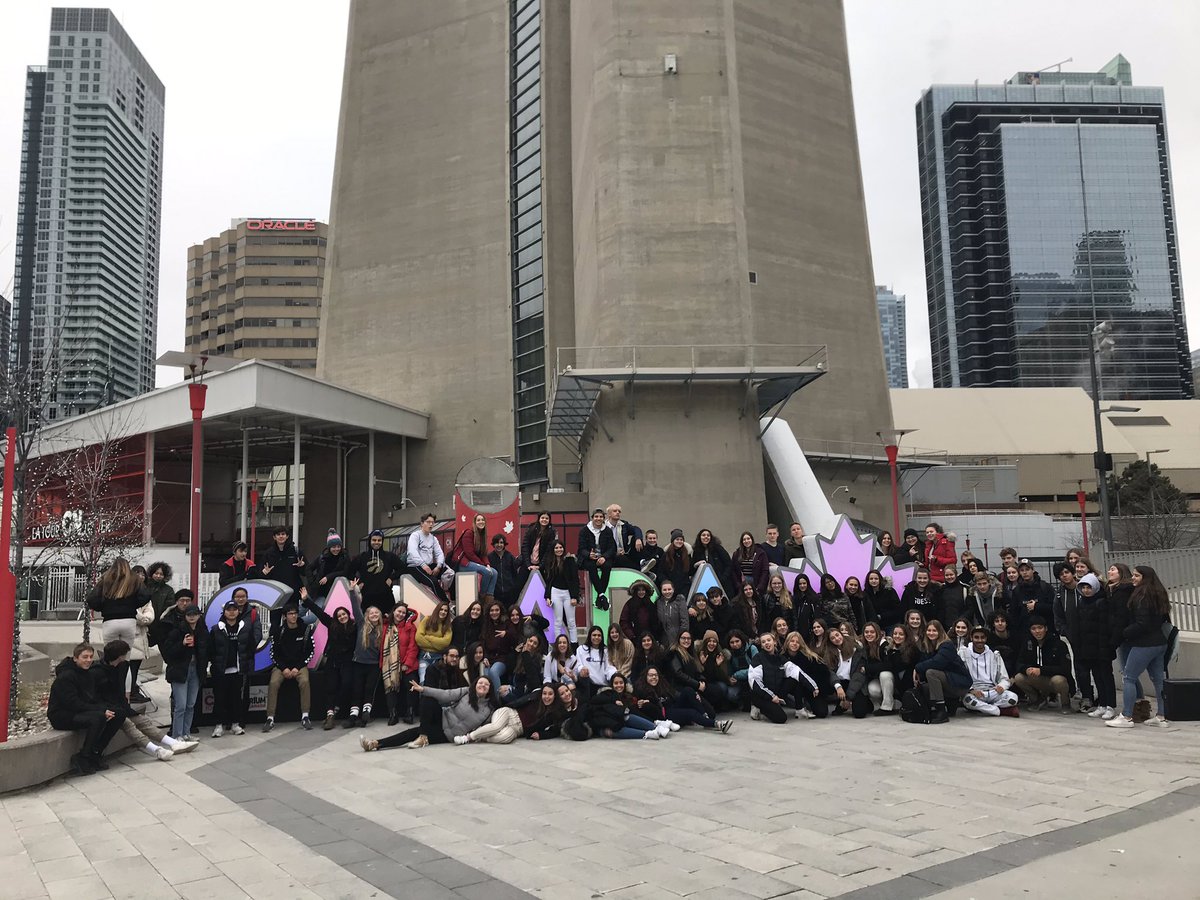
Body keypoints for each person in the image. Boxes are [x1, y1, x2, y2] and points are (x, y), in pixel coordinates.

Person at [96, 640, 197, 759]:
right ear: (119, 656)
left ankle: (173, 743)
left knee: (142, 721)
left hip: (119, 705)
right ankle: (156, 750)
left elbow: (122, 688)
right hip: (108, 709)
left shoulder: (122, 666)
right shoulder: (98, 671)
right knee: (129, 725)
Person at [48, 643, 127, 775]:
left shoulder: (88, 674)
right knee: (98, 718)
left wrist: (105, 708)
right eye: (84, 657)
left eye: (91, 657)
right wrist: (100, 711)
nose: (89, 660)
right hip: (62, 715)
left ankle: (96, 752)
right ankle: (83, 757)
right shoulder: (66, 676)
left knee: (118, 714)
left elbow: (91, 698)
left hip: (80, 709)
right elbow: (72, 703)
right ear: (75, 658)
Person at [1108, 566, 1172, 729]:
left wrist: (1125, 632)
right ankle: (1161, 716)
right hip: (1160, 643)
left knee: (1129, 677)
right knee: (1158, 680)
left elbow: (1142, 624)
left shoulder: (1142, 597)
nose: (1133, 578)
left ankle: (1127, 716)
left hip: (1144, 644)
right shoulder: (1158, 594)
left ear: (1145, 578)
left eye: (1136, 575)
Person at [361, 676, 499, 750]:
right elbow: (445, 695)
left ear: (490, 689)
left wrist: (469, 738)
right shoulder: (466, 692)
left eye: (486, 685)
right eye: (480, 683)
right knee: (429, 700)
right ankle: (423, 736)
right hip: (442, 718)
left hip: (448, 735)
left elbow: (484, 730)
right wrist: (423, 689)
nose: (482, 686)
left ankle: (375, 744)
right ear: (475, 685)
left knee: (411, 733)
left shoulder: (489, 710)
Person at [85, 559, 145, 699]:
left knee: (110, 660)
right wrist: (132, 604)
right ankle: (126, 697)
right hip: (129, 621)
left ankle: (110, 694)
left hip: (110, 621)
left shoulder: (106, 579)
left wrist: (104, 606)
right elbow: (146, 595)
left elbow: (92, 599)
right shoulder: (134, 580)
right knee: (125, 660)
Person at [301, 587, 358, 729]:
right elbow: (319, 612)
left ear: (348, 614)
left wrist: (353, 592)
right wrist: (306, 600)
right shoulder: (332, 624)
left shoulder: (355, 627)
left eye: (344, 614)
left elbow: (359, 610)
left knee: (346, 684)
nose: (342, 617)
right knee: (330, 687)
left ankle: (336, 707)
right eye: (339, 616)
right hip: (332, 661)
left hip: (348, 662)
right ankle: (330, 715)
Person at [262, 602, 316, 732]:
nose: (293, 616)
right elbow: (273, 653)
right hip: (282, 667)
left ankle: (305, 716)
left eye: (295, 613)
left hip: (299, 666)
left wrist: (298, 667)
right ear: (285, 616)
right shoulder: (278, 631)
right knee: (273, 683)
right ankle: (270, 718)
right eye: (290, 614)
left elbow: (310, 651)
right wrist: (283, 668)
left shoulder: (306, 630)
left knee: (304, 681)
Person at [160, 599, 207, 741]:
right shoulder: (177, 631)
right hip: (180, 670)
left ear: (199, 615)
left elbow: (206, 652)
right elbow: (168, 652)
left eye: (195, 614)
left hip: (196, 670)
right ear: (185, 616)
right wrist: (182, 644)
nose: (192, 617)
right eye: (189, 614)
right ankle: (177, 735)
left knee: (191, 704)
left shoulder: (202, 631)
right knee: (180, 705)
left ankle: (186, 733)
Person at [457, 683, 564, 744]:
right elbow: (519, 701)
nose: (547, 697)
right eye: (544, 693)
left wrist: (541, 735)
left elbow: (554, 731)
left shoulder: (553, 713)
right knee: (496, 726)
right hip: (510, 713)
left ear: (555, 696)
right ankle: (468, 738)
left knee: (505, 738)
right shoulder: (535, 697)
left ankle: (482, 736)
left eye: (550, 694)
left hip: (517, 729)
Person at [635, 665, 731, 733]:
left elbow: (675, 695)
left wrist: (693, 695)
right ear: (645, 677)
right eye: (651, 675)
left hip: (673, 706)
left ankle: (704, 717)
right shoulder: (642, 689)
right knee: (691, 713)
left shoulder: (662, 685)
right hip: (665, 714)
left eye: (656, 675)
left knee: (688, 690)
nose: (654, 677)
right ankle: (717, 724)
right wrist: (646, 702)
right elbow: (645, 707)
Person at [209, 599, 256, 737]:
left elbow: (250, 647)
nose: (231, 612)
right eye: (229, 610)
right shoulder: (216, 629)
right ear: (224, 612)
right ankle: (218, 726)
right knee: (219, 699)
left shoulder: (245, 628)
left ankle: (235, 724)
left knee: (236, 699)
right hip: (221, 671)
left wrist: (246, 663)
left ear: (238, 611)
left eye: (234, 609)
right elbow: (210, 650)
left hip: (238, 670)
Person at [913, 620, 972, 724]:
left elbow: (937, 663)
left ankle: (941, 711)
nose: (931, 633)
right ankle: (950, 703)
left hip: (960, 683)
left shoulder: (947, 645)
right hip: (949, 680)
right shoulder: (929, 646)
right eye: (929, 630)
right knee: (925, 687)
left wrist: (917, 668)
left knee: (931, 673)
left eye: (934, 630)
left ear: (940, 632)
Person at [1012, 616, 1071, 712]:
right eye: (1034, 629)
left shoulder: (1058, 644)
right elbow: (1019, 663)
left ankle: (1065, 703)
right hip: (1037, 678)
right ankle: (1037, 700)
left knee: (1059, 681)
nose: (1037, 631)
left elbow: (1065, 669)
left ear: (1046, 628)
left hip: (1054, 678)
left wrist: (1042, 670)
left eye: (1040, 628)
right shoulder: (1027, 643)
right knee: (1019, 678)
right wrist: (1026, 669)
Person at [958, 625, 1018, 716]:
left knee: (1013, 698)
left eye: (982, 637)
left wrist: (1001, 686)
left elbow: (1004, 678)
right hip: (976, 692)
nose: (979, 640)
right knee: (968, 701)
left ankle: (985, 708)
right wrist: (971, 690)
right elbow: (959, 675)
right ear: (971, 638)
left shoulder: (994, 654)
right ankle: (1000, 711)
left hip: (993, 690)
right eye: (976, 637)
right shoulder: (963, 653)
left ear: (986, 639)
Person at [746, 633, 803, 723]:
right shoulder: (758, 658)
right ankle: (758, 708)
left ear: (774, 642)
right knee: (781, 718)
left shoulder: (779, 658)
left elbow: (796, 672)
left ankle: (800, 710)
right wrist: (771, 696)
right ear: (761, 645)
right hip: (761, 694)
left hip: (775, 691)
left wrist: (814, 687)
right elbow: (755, 682)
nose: (767, 643)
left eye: (769, 640)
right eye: (763, 642)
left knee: (794, 679)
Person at [345, 604, 385, 727]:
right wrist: (352, 591)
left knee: (369, 689)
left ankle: (365, 714)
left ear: (380, 616)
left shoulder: (383, 629)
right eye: (371, 613)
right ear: (367, 615)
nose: (374, 615)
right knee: (356, 689)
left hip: (373, 665)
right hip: (358, 663)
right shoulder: (362, 624)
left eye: (376, 613)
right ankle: (353, 716)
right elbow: (356, 609)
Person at [380, 602, 419, 725]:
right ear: (393, 611)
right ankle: (393, 714)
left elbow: (413, 647)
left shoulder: (410, 627)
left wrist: (406, 663)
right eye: (399, 611)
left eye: (403, 613)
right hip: (389, 664)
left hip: (407, 664)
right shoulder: (385, 625)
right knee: (390, 687)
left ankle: (410, 713)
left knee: (411, 685)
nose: (401, 614)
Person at [349, 528, 402, 616]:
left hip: (386, 597)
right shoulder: (362, 557)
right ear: (370, 541)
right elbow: (349, 571)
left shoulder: (389, 556)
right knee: (368, 623)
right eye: (374, 540)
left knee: (387, 623)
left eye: (379, 540)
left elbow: (402, 568)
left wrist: (391, 578)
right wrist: (359, 582)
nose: (376, 542)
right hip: (367, 597)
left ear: (382, 541)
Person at [825, 628, 874, 718]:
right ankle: (840, 703)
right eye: (832, 638)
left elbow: (858, 675)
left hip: (856, 683)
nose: (836, 638)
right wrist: (838, 686)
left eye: (837, 635)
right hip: (840, 683)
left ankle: (864, 702)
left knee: (859, 713)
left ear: (841, 635)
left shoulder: (856, 649)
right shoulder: (829, 653)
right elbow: (830, 672)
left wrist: (848, 698)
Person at [451, 514, 499, 602]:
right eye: (478, 520)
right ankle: (482, 597)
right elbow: (469, 553)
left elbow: (483, 554)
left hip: (473, 563)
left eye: (482, 520)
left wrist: (487, 564)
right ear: (474, 522)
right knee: (487, 572)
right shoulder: (469, 533)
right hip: (463, 564)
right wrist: (483, 565)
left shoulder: (482, 536)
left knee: (494, 572)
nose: (481, 522)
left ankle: (489, 599)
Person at [542, 540, 580, 643]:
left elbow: (575, 579)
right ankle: (558, 645)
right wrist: (547, 597)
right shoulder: (550, 562)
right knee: (557, 621)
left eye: (560, 547)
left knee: (571, 621)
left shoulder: (570, 560)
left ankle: (574, 645)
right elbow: (549, 580)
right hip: (555, 592)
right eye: (556, 548)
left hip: (568, 593)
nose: (559, 550)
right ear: (553, 550)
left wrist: (575, 596)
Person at [481, 599, 520, 697]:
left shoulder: (506, 623)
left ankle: (498, 700)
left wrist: (506, 634)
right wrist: (484, 657)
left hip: (502, 658)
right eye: (492, 610)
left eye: (496, 610)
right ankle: (486, 700)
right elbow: (483, 643)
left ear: (500, 611)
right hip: (489, 658)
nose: (494, 612)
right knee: (485, 676)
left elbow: (515, 637)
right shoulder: (486, 625)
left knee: (493, 672)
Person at [406, 513, 449, 601]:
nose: (431, 524)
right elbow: (412, 551)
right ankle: (446, 603)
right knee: (433, 582)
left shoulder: (433, 538)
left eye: (432, 522)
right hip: (415, 566)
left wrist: (439, 566)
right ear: (422, 524)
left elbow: (439, 553)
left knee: (449, 572)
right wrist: (423, 565)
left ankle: (452, 598)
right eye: (428, 522)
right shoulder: (415, 535)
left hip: (429, 565)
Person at [696, 630, 739, 710]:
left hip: (715, 682)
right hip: (702, 682)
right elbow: (697, 674)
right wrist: (702, 664)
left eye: (714, 641)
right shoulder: (699, 653)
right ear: (705, 642)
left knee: (723, 688)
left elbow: (722, 677)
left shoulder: (720, 655)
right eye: (709, 641)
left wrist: (718, 666)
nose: (712, 644)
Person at [261, 526, 307, 598]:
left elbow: (306, 572)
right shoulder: (268, 553)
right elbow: (261, 573)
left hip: (293, 592)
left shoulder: (295, 551)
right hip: (275, 592)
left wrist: (302, 566)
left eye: (283, 534)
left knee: (292, 609)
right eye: (278, 534)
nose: (281, 536)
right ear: (274, 537)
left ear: (287, 536)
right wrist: (264, 572)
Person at [1010, 559, 1054, 634]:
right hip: (1025, 632)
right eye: (1022, 570)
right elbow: (1014, 614)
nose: (1025, 572)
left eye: (1027, 569)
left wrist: (1036, 606)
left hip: (1046, 630)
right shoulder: (1016, 591)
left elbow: (1053, 608)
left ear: (1033, 570)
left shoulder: (1045, 587)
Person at [416, 601, 453, 684]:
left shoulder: (447, 626)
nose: (443, 612)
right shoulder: (427, 620)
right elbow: (418, 639)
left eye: (445, 610)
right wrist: (437, 642)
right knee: (423, 680)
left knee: (436, 682)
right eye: (441, 609)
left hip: (438, 657)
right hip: (424, 656)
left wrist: (428, 637)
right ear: (437, 610)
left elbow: (445, 644)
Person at [308, 529, 349, 601]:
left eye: (338, 546)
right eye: (333, 547)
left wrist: (328, 577)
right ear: (329, 548)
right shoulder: (322, 558)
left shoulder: (344, 557)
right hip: (320, 592)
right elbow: (308, 568)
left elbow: (345, 572)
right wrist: (312, 583)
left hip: (338, 591)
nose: (336, 549)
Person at [692, 529, 734, 595]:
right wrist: (696, 564)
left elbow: (728, 564)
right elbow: (692, 569)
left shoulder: (718, 548)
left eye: (708, 535)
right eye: (703, 535)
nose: (706, 537)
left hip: (722, 583)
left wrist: (723, 578)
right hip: (705, 584)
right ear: (699, 537)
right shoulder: (696, 551)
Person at [604, 503, 643, 570]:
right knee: (621, 559)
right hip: (610, 556)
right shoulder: (603, 527)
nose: (618, 513)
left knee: (636, 538)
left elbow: (636, 529)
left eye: (619, 511)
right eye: (615, 511)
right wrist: (615, 552)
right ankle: (641, 569)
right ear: (609, 514)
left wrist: (638, 539)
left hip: (624, 553)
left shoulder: (623, 525)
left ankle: (642, 562)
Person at [487, 534, 522, 608]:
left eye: (501, 543)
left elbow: (515, 570)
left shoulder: (509, 556)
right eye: (497, 543)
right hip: (496, 593)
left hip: (510, 593)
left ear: (504, 544)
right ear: (493, 544)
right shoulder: (490, 557)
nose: (499, 545)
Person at [521, 512, 557, 580]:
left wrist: (540, 566)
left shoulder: (551, 532)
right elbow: (525, 547)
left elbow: (548, 551)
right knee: (520, 584)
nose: (544, 520)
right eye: (542, 518)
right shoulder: (531, 529)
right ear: (539, 519)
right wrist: (528, 564)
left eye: (547, 518)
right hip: (528, 563)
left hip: (542, 565)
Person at [731, 531, 770, 595]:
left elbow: (765, 570)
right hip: (743, 583)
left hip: (756, 583)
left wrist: (761, 586)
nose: (746, 541)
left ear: (752, 540)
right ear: (742, 542)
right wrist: (738, 585)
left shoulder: (761, 553)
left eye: (748, 538)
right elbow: (733, 570)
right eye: (744, 539)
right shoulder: (737, 554)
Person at [659, 530, 692, 598]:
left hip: (684, 588)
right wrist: (666, 584)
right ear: (673, 541)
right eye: (677, 539)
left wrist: (697, 565)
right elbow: (661, 572)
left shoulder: (687, 555)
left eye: (681, 539)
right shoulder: (666, 555)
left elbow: (690, 571)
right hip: (670, 589)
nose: (679, 541)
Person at [657, 579, 689, 648]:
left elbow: (685, 622)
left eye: (669, 589)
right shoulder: (659, 603)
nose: (667, 592)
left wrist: (681, 639)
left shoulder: (679, 600)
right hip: (664, 641)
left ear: (673, 590)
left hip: (678, 639)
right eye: (664, 590)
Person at [987, 610, 1020, 678]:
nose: (1000, 623)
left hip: (1014, 672)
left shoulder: (1016, 637)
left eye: (1002, 621)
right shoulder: (989, 639)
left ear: (1006, 623)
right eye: (997, 621)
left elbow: (1019, 659)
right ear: (993, 624)